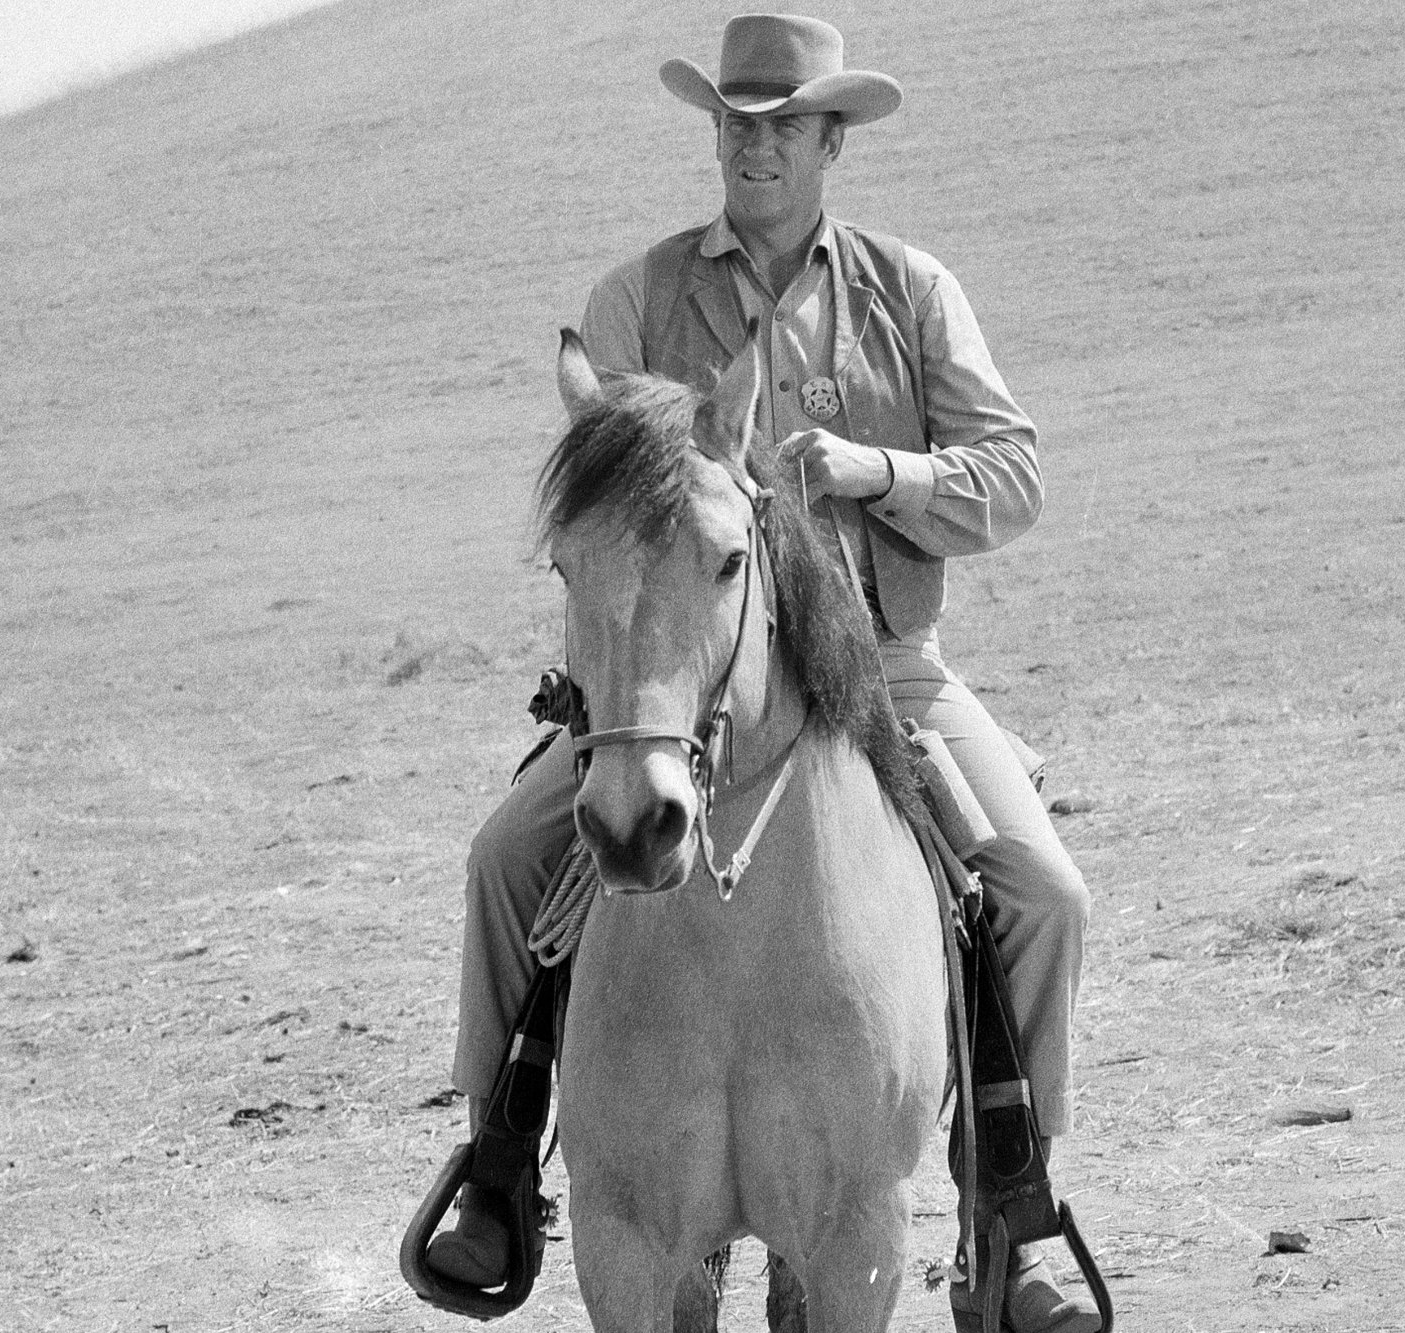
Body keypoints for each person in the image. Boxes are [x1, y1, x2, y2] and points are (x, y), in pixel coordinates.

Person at [429, 15, 1094, 1332]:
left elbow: (1014, 474)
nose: (756, 146)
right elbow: (605, 502)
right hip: (671, 687)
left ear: (832, 138)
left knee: (1041, 891)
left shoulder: (911, 292)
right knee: (504, 856)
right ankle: (499, 1166)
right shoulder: (639, 299)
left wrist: (878, 474)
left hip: (882, 671)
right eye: (736, 123)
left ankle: (1011, 1209)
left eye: (783, 123)